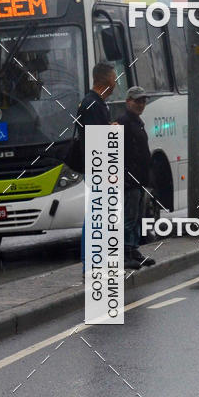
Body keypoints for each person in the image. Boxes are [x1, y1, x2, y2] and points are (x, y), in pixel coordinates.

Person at [74, 62, 116, 275]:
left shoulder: (93, 102)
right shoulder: (93, 104)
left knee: (98, 213)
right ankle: (90, 263)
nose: (116, 83)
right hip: (98, 168)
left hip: (97, 167)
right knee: (96, 214)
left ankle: (95, 261)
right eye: (114, 79)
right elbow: (95, 138)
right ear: (106, 80)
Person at [117, 86, 155, 269]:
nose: (141, 104)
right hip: (129, 180)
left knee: (137, 217)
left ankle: (133, 250)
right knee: (129, 217)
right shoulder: (123, 122)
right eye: (137, 101)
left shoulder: (137, 121)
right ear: (128, 101)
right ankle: (124, 254)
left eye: (143, 101)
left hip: (139, 179)